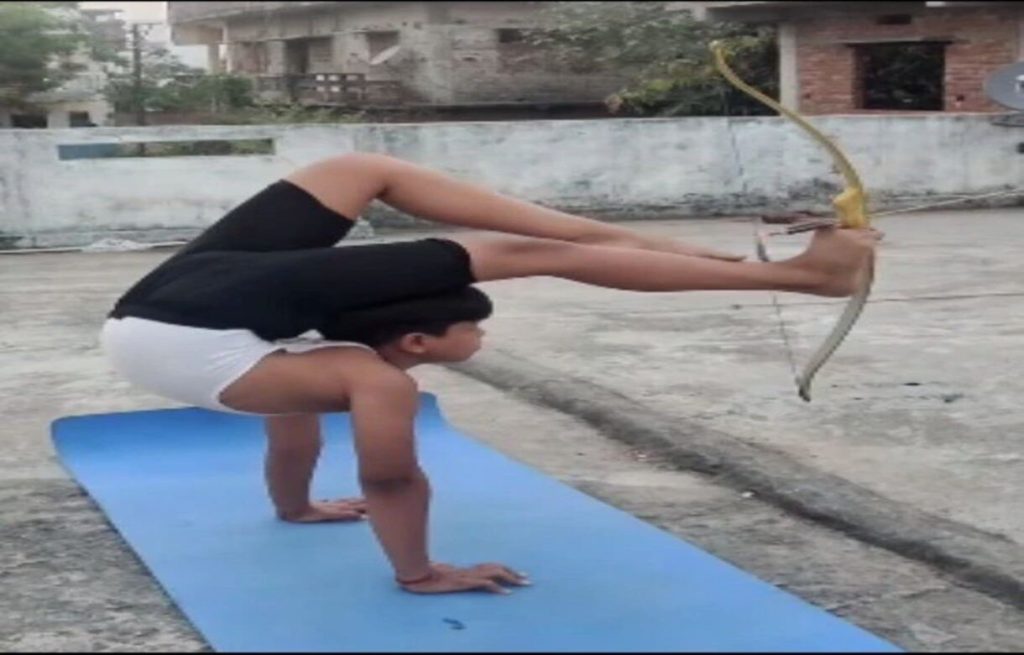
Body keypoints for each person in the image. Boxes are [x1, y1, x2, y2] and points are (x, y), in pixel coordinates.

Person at [100, 152, 879, 597]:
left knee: (356, 170)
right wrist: (422, 570)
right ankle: (810, 279)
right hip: (177, 332)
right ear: (415, 337)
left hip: (154, 311)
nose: (479, 333)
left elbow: (290, 432)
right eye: (468, 326)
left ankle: (615, 240)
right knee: (516, 254)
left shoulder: (303, 360)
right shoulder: (377, 379)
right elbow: (392, 481)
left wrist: (297, 508)